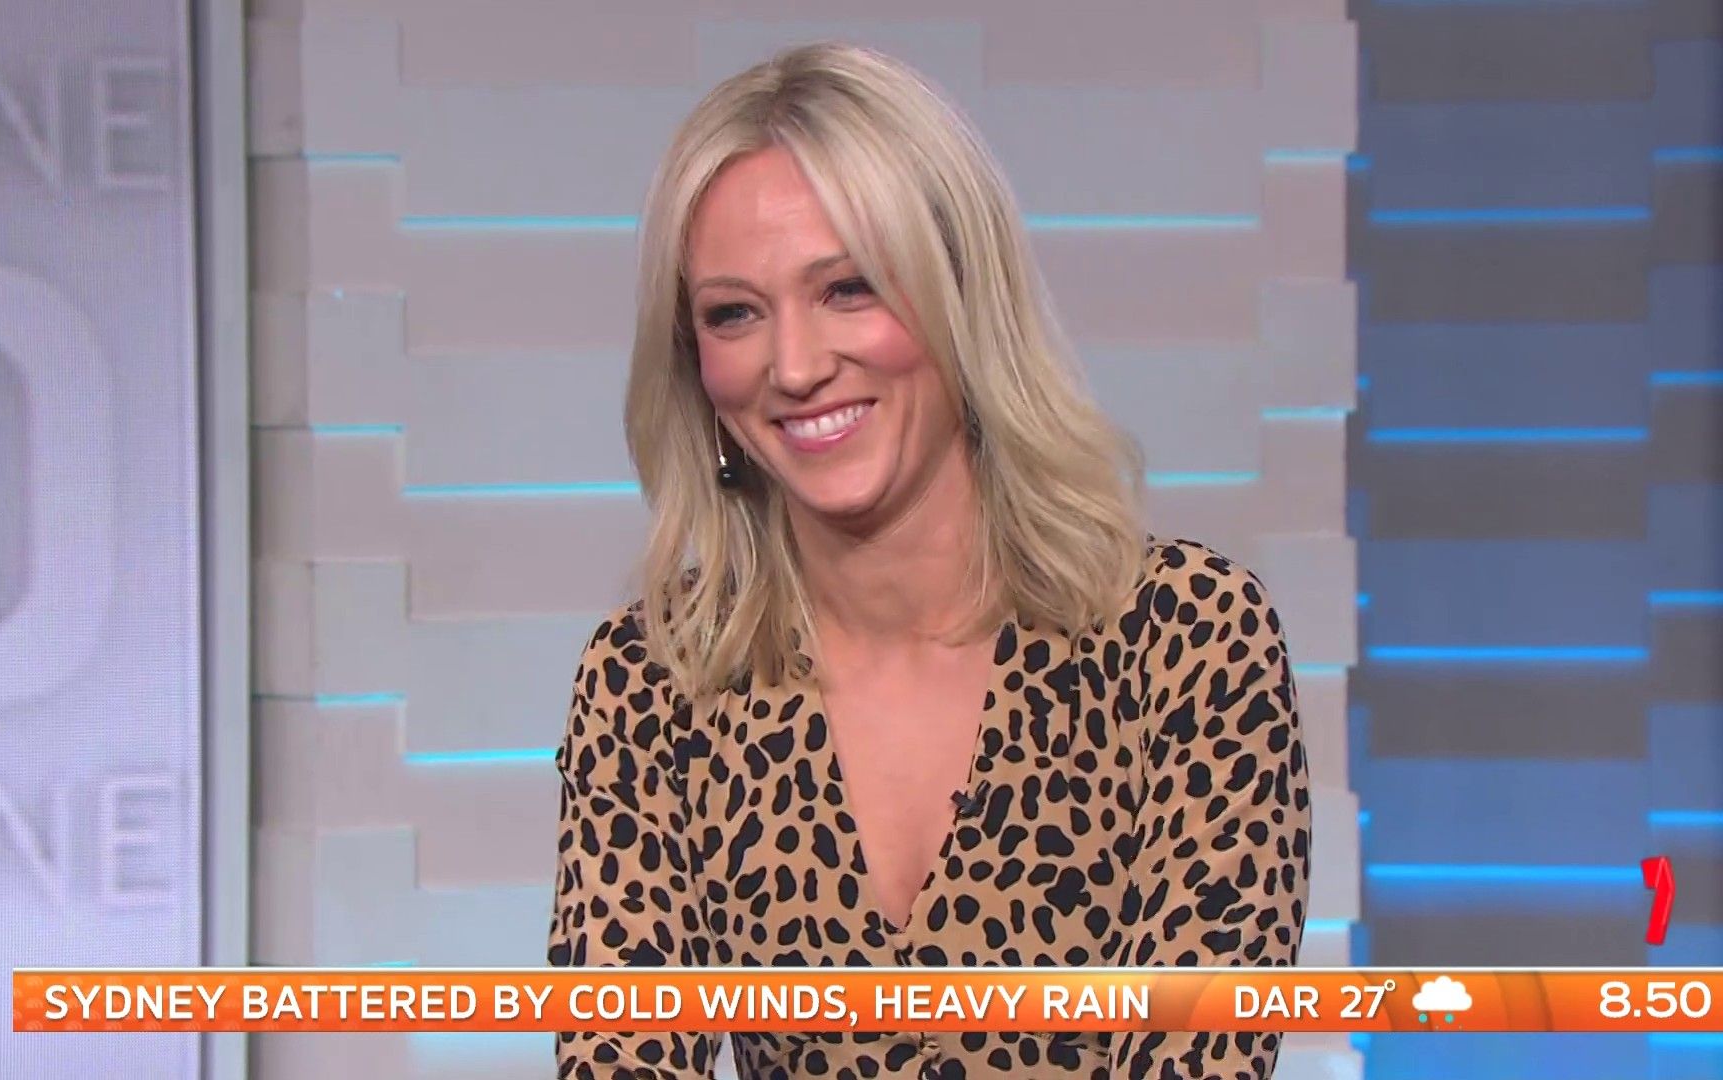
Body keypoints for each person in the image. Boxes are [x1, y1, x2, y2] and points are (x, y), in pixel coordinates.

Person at [548, 41, 1309, 1080]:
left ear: (962, 296)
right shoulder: (654, 680)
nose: (797, 367)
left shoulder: (1187, 639)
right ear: (695, 364)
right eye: (735, 313)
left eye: (849, 288)